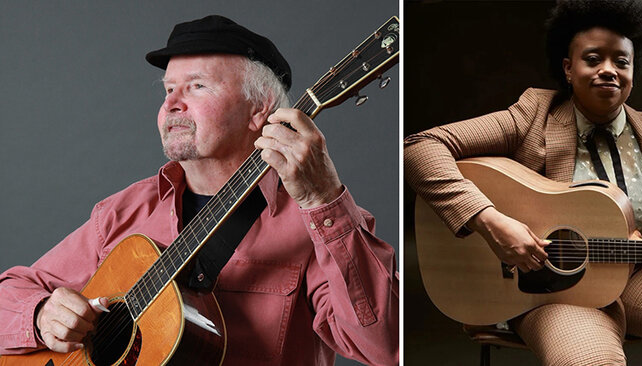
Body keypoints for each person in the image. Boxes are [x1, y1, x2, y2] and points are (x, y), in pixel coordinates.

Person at [0, 15, 398, 365]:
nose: (172, 103)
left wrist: (322, 200)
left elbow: (386, 347)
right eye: (168, 89)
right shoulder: (124, 212)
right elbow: (10, 295)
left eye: (197, 86)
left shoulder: (320, 223)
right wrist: (39, 316)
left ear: (259, 109)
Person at [404, 1, 642, 365]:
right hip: (553, 291)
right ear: (568, 68)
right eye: (593, 59)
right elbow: (418, 148)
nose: (609, 70)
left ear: (633, 72)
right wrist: (490, 221)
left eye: (621, 62)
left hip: (641, 283)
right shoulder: (532, 115)